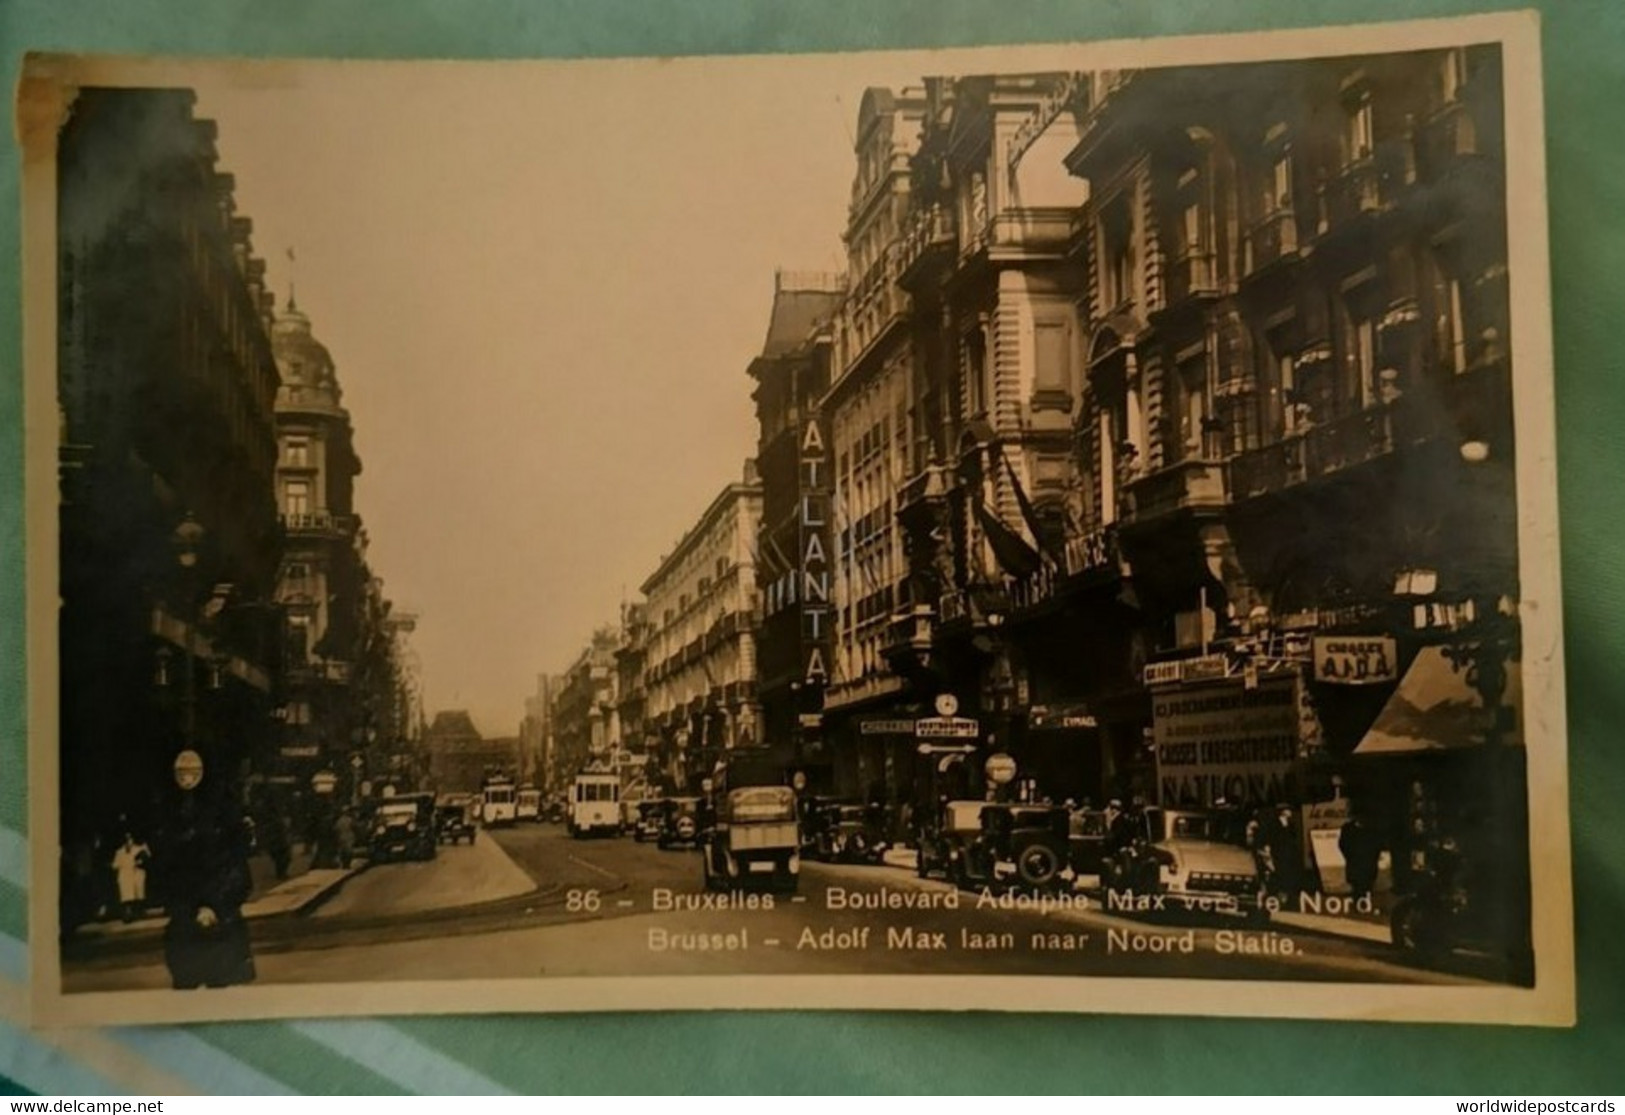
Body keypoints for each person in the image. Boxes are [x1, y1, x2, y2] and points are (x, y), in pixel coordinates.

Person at [156, 767, 257, 990]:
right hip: (186, 921)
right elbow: (165, 875)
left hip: (219, 919)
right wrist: (187, 909)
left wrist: (214, 906)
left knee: (218, 985)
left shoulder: (225, 823)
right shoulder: (171, 824)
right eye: (182, 774)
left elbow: (237, 873)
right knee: (185, 985)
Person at [1339, 811, 1382, 904]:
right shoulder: (1348, 829)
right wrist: (1350, 856)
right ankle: (1359, 904)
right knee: (1357, 886)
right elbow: (1343, 844)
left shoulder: (1372, 829)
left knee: (1367, 886)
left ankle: (1364, 904)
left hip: (1368, 864)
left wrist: (1373, 857)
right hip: (1355, 863)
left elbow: (1378, 845)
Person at [109, 831, 151, 923]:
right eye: (126, 840)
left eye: (130, 839)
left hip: (135, 874)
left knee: (137, 894)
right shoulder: (119, 852)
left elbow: (146, 857)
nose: (128, 842)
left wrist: (140, 861)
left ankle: (138, 912)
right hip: (124, 875)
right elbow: (115, 864)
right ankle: (128, 914)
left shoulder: (138, 849)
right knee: (126, 896)